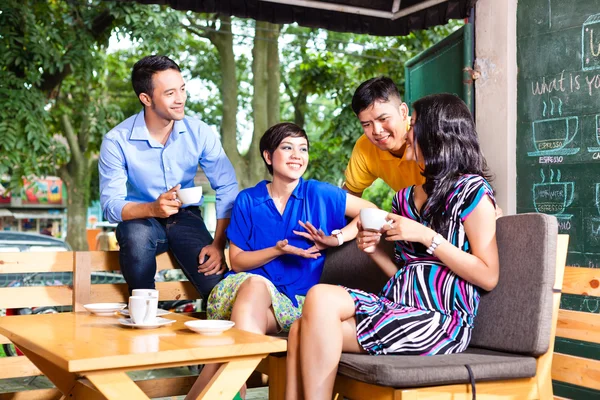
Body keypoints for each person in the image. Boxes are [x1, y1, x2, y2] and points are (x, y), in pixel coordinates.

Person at [286, 93, 500, 399]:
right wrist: (372, 251)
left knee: (310, 314)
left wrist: (427, 236)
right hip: (397, 306)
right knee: (304, 321)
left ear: (437, 134)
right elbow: (404, 273)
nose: (407, 130)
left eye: (413, 123)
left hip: (440, 320)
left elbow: (488, 275)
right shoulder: (404, 198)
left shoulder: (472, 190)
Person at [185, 122, 378, 400]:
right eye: (287, 148)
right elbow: (237, 262)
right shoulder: (248, 200)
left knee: (236, 341)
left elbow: (370, 211)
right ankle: (233, 387)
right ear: (268, 156)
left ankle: (228, 390)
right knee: (255, 285)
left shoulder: (319, 194)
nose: (296, 155)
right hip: (237, 293)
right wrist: (277, 250)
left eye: (303, 149)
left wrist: (336, 238)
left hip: (293, 307)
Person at [99, 55, 238, 300]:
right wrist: (153, 208)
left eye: (182, 89)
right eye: (170, 93)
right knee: (136, 235)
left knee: (218, 289)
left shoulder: (200, 132)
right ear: (146, 98)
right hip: (142, 219)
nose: (181, 99)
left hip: (186, 218)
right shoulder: (116, 140)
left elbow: (227, 187)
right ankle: (143, 312)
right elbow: (111, 205)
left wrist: (218, 244)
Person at [343, 76, 425, 198]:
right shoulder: (365, 146)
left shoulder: (429, 135)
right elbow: (350, 195)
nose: (377, 131)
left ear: (403, 112)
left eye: (383, 119)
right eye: (366, 124)